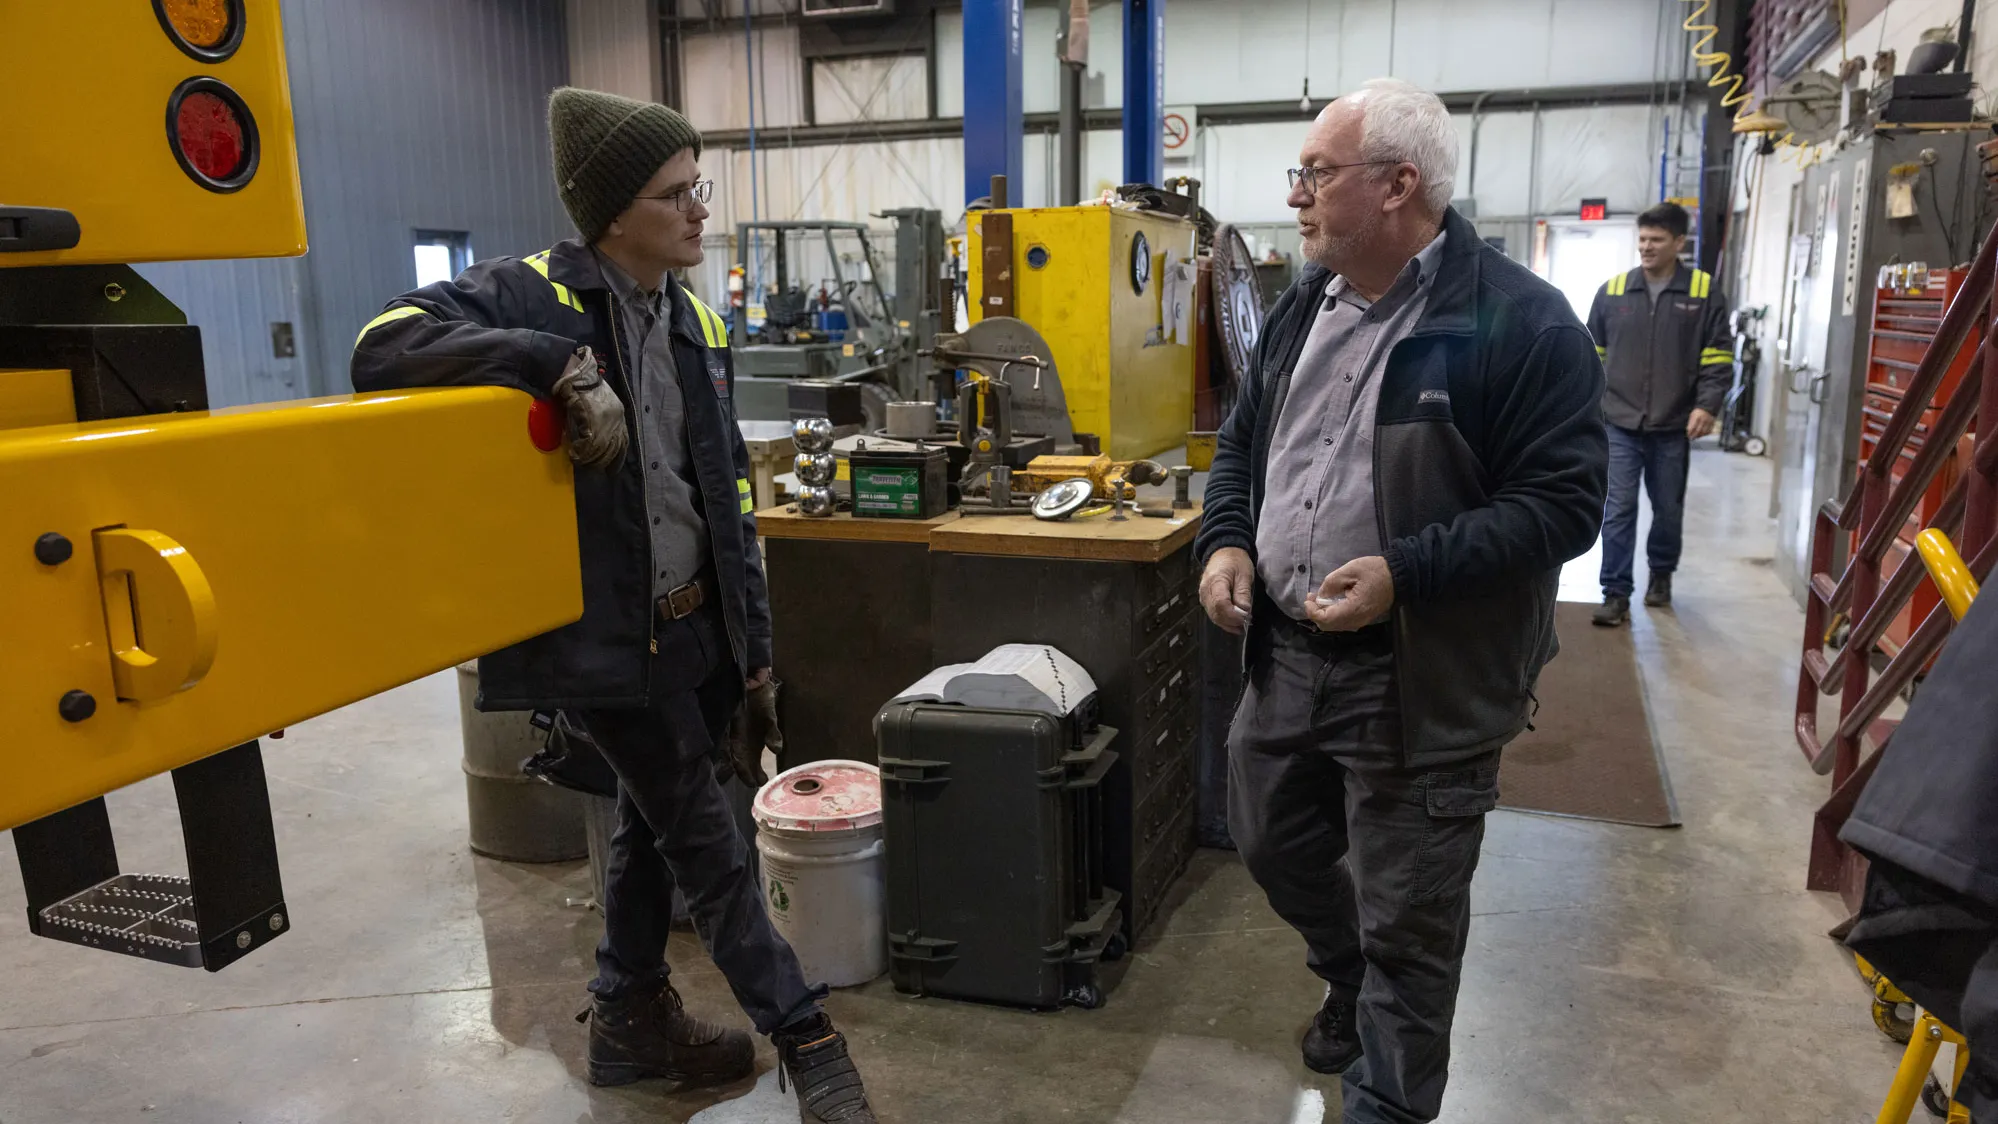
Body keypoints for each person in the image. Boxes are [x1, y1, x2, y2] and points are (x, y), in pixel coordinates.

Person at [351, 87, 876, 1124]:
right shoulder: (529, 294)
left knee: (647, 819)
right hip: (600, 636)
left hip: (691, 623)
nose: (698, 211)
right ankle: (807, 1036)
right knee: (706, 838)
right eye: (675, 193)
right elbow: (382, 345)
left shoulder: (696, 319)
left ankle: (630, 1018)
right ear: (610, 211)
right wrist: (547, 365)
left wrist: (754, 656)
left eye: (698, 187)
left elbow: (722, 500)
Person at [1194, 78, 1607, 1124]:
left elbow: (1564, 506)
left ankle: (1388, 1096)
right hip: (1287, 655)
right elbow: (1244, 441)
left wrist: (1404, 572)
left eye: (1317, 174)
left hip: (1419, 677)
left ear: (1397, 185)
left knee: (1412, 923)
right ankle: (1348, 972)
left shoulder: (1518, 321)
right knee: (1268, 835)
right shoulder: (1303, 303)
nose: (1296, 194)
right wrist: (1228, 535)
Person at [1584, 201, 1732, 627]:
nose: (1646, 247)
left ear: (1679, 243)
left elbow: (1719, 355)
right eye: (1642, 239)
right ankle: (1615, 592)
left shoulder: (1703, 291)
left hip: (1673, 423)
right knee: (1618, 509)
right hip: (1619, 422)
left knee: (1668, 508)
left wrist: (1707, 404)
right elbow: (1591, 355)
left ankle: (1661, 576)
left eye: (1656, 240)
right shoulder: (1612, 292)